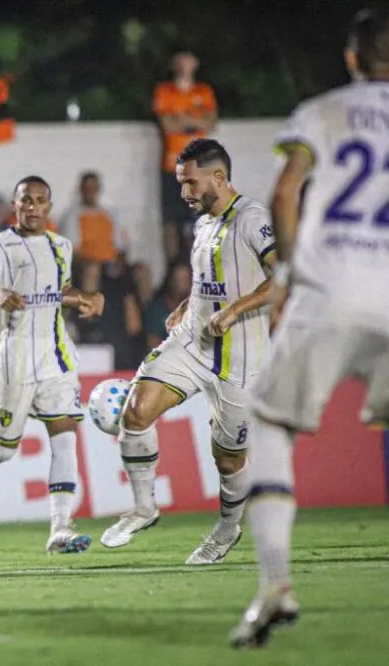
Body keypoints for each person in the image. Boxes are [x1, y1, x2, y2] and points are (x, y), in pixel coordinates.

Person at [230, 9, 389, 648]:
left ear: (352, 58)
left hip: (330, 290)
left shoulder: (322, 111)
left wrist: (290, 271)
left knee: (269, 422)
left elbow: (288, 186)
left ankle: (275, 584)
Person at [101, 139, 277, 565]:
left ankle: (227, 529)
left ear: (218, 177)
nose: (185, 193)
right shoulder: (201, 225)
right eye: (181, 183)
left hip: (242, 358)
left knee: (228, 457)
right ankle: (144, 507)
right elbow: (207, 281)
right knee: (136, 411)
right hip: (193, 343)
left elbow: (284, 278)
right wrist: (186, 306)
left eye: (191, 183)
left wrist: (235, 310)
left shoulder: (254, 220)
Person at [0, 176, 105, 554]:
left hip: (55, 356)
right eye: (26, 201)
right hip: (13, 360)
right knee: (4, 449)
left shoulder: (61, 245)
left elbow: (60, 291)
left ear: (49, 207)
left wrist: (86, 298)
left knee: (66, 437)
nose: (33, 207)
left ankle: (60, 528)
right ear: (14, 205)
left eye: (40, 201)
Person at [153, 51, 218, 263]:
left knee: (198, 218)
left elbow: (210, 123)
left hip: (199, 167)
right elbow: (168, 125)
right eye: (179, 61)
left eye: (188, 61)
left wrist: (181, 118)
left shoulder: (203, 91)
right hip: (172, 165)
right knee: (171, 221)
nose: (184, 66)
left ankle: (196, 267)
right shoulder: (164, 91)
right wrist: (194, 119)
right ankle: (173, 267)